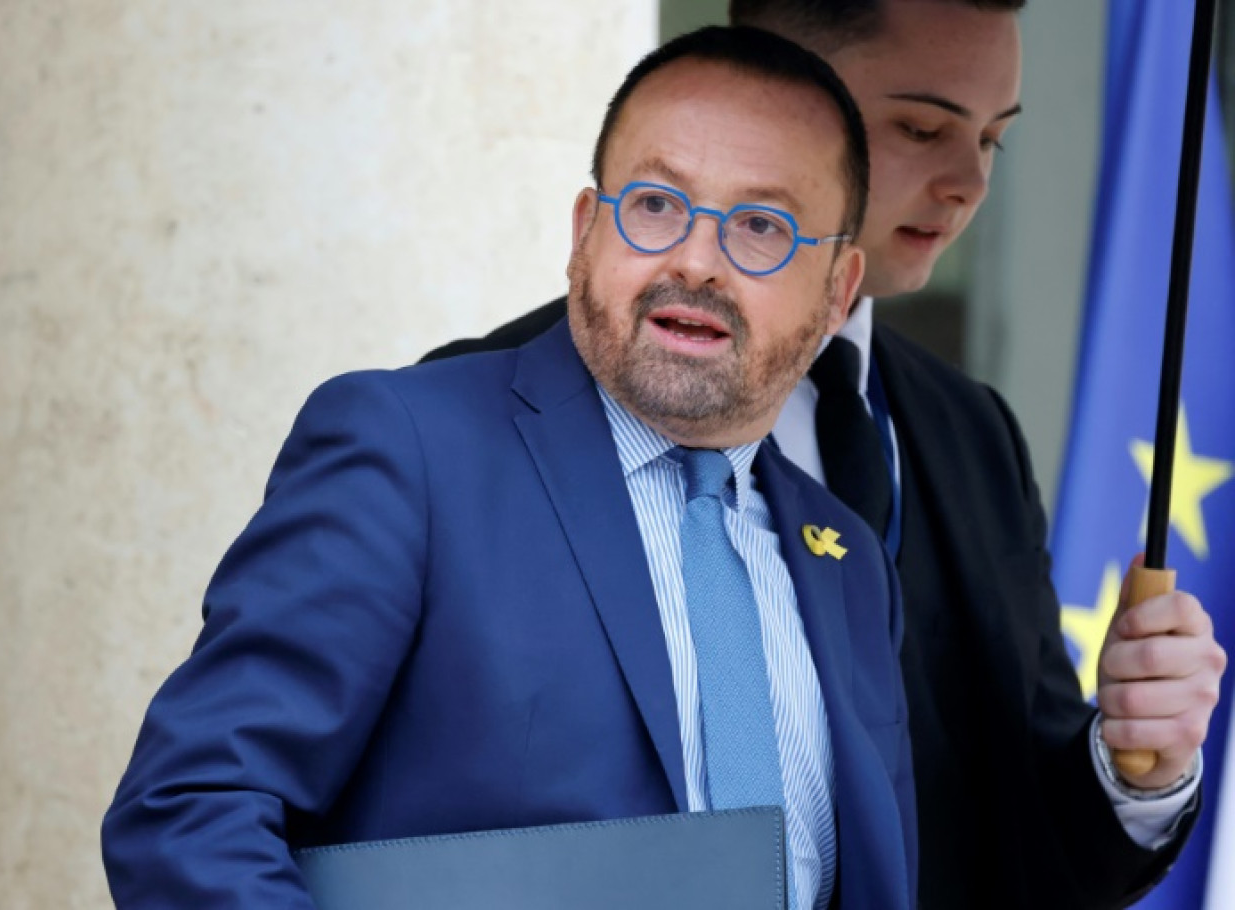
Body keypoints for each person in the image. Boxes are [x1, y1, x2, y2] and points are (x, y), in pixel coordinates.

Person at [422, 2, 1228, 909]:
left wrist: (1136, 763)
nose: (969, 181)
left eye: (994, 140)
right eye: (921, 128)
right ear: (782, 101)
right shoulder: (460, 427)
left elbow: (1020, 841)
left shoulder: (974, 435)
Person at [103, 27, 919, 909]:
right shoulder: (409, 451)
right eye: (654, 204)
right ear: (584, 233)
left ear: (840, 290)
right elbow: (191, 809)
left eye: (761, 226)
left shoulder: (847, 560)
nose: (694, 259)